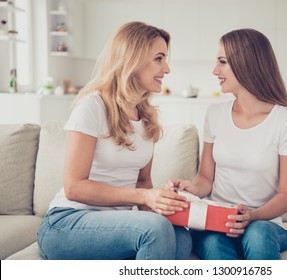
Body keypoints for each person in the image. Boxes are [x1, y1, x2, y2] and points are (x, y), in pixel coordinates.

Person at [37, 22, 192, 260]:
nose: (167, 68)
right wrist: (144, 197)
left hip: (115, 224)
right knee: (155, 230)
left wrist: (162, 202)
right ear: (134, 59)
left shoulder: (147, 117)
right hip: (67, 222)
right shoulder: (92, 106)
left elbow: (142, 182)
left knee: (181, 236)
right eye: (159, 59)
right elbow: (74, 186)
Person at [167, 28, 287, 260]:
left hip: (265, 223)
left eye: (222, 62)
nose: (215, 71)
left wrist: (252, 216)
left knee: (258, 235)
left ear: (246, 63)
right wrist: (191, 188)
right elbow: (205, 179)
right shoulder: (215, 113)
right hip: (216, 219)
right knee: (213, 243)